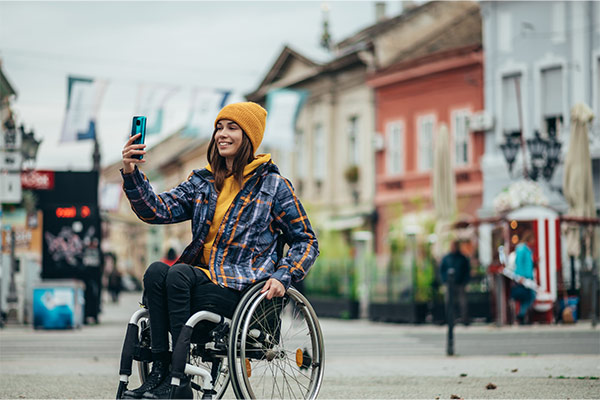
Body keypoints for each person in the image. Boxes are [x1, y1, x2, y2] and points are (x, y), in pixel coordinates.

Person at [119, 101, 319, 399]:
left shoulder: (274, 187)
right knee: (157, 271)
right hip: (199, 282)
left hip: (242, 290)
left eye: (232, 128)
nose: (222, 134)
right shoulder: (203, 182)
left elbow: (306, 240)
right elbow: (156, 210)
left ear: (248, 137)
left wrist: (284, 274)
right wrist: (130, 170)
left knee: (179, 275)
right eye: (219, 128)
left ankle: (180, 380)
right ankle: (161, 372)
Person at [439, 240, 471, 325]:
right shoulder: (446, 258)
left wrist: (465, 281)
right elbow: (442, 270)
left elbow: (467, 270)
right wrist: (445, 280)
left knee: (463, 302)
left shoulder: (462, 258)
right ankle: (451, 319)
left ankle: (464, 319)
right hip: (449, 283)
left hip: (460, 283)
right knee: (449, 302)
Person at [511, 230, 536, 325]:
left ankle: (522, 315)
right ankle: (521, 315)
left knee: (529, 296)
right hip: (524, 278)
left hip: (528, 277)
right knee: (530, 295)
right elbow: (519, 264)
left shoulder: (528, 250)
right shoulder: (522, 249)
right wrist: (520, 277)